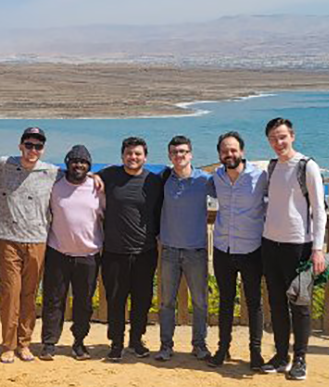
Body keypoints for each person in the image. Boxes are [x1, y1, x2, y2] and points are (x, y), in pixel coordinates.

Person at [261, 117, 326, 382]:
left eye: (282, 137)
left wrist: (318, 249)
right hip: (270, 243)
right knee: (276, 303)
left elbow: (320, 211)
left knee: (300, 305)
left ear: (292, 136)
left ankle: (300, 358)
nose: (278, 143)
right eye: (273, 138)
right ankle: (280, 356)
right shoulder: (273, 166)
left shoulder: (307, 166)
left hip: (298, 244)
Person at [0, 127, 59, 363]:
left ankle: (24, 342)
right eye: (28, 145)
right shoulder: (1, 165)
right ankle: (7, 344)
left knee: (29, 294)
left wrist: (95, 176)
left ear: (43, 149)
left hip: (37, 239)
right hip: (7, 238)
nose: (33, 150)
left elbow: (76, 177)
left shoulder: (51, 171)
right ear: (20, 145)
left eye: (38, 146)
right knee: (10, 293)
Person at [98, 136, 164, 361]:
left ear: (145, 157)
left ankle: (136, 340)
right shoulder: (109, 175)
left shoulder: (154, 181)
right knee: (115, 299)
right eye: (129, 153)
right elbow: (89, 177)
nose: (133, 157)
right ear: (122, 155)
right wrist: (92, 176)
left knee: (142, 300)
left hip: (145, 252)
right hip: (114, 252)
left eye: (137, 154)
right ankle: (116, 343)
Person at [209, 131, 267, 371]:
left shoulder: (260, 176)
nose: (229, 154)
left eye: (233, 150)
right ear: (219, 155)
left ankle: (256, 352)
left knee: (254, 303)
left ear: (242, 151)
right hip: (223, 247)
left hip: (252, 249)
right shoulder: (216, 177)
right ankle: (223, 348)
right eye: (224, 151)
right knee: (225, 301)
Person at [40, 144, 103, 360]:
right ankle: (49, 343)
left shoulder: (97, 188)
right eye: (75, 161)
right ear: (67, 163)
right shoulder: (55, 186)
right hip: (58, 252)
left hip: (88, 255)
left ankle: (79, 342)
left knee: (83, 302)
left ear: (89, 166)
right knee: (53, 299)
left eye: (84, 162)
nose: (79, 165)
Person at [156, 135, 212, 362]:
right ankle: (165, 346)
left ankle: (199, 345)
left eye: (183, 152)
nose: (179, 156)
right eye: (175, 152)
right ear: (170, 156)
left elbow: (232, 190)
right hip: (169, 250)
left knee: (200, 302)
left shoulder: (205, 180)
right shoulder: (163, 179)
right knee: (166, 302)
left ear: (191, 154)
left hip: (196, 251)